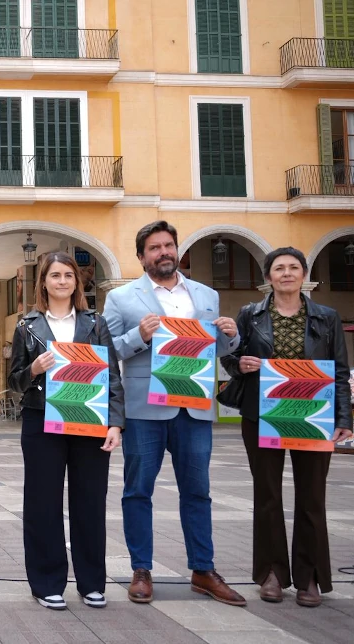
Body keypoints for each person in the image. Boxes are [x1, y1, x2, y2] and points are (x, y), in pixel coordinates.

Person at [103, 221, 246, 606]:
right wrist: (139, 336)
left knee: (198, 492)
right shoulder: (121, 298)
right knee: (138, 491)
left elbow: (217, 349)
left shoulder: (206, 294)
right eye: (154, 247)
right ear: (141, 257)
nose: (163, 252)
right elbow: (107, 350)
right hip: (144, 409)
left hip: (194, 408)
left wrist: (231, 336)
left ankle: (203, 569)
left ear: (177, 250)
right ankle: (141, 570)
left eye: (168, 245)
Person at [222, 247, 352, 607]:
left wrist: (343, 418)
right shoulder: (250, 315)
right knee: (267, 496)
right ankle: (272, 574)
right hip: (262, 413)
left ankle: (310, 577)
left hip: (314, 414)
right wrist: (240, 365)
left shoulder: (327, 317)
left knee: (312, 497)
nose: (287, 273)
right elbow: (230, 355)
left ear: (304, 274)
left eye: (294, 267)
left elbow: (340, 371)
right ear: (268, 277)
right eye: (279, 268)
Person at [7, 252, 123, 611]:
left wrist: (115, 423)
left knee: (90, 502)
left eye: (68, 275)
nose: (62, 281)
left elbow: (112, 375)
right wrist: (34, 370)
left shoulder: (95, 323)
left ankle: (91, 583)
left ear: (77, 282)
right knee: (42, 503)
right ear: (43, 282)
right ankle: (46, 583)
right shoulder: (27, 326)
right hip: (41, 422)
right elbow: (13, 382)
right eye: (55, 275)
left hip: (89, 420)